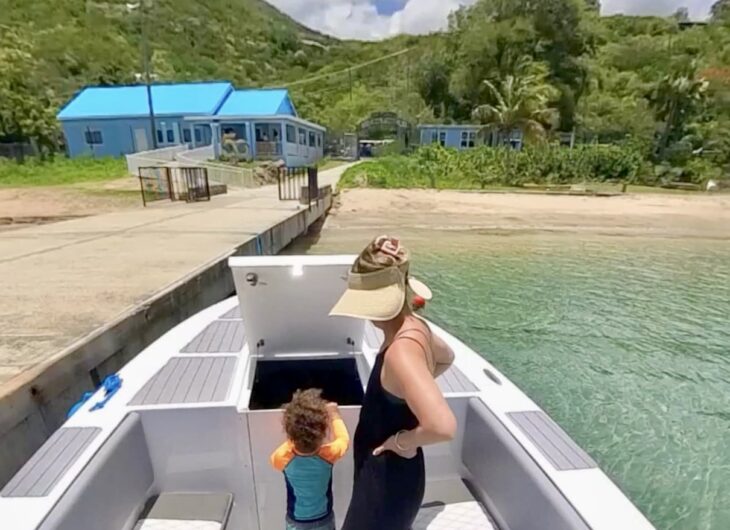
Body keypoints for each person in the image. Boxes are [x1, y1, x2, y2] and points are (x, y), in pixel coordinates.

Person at [330, 236, 457, 530]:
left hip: (386, 479)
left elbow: (443, 426)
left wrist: (401, 442)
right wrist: (410, 391)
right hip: (400, 474)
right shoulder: (417, 327)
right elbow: (447, 358)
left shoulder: (400, 352)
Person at [271, 389, 350, 530]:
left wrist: (295, 431)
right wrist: (334, 415)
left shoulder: (282, 458)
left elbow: (276, 457)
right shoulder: (329, 455)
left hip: (296, 521)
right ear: (322, 433)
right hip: (323, 519)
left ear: (290, 433)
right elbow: (344, 440)